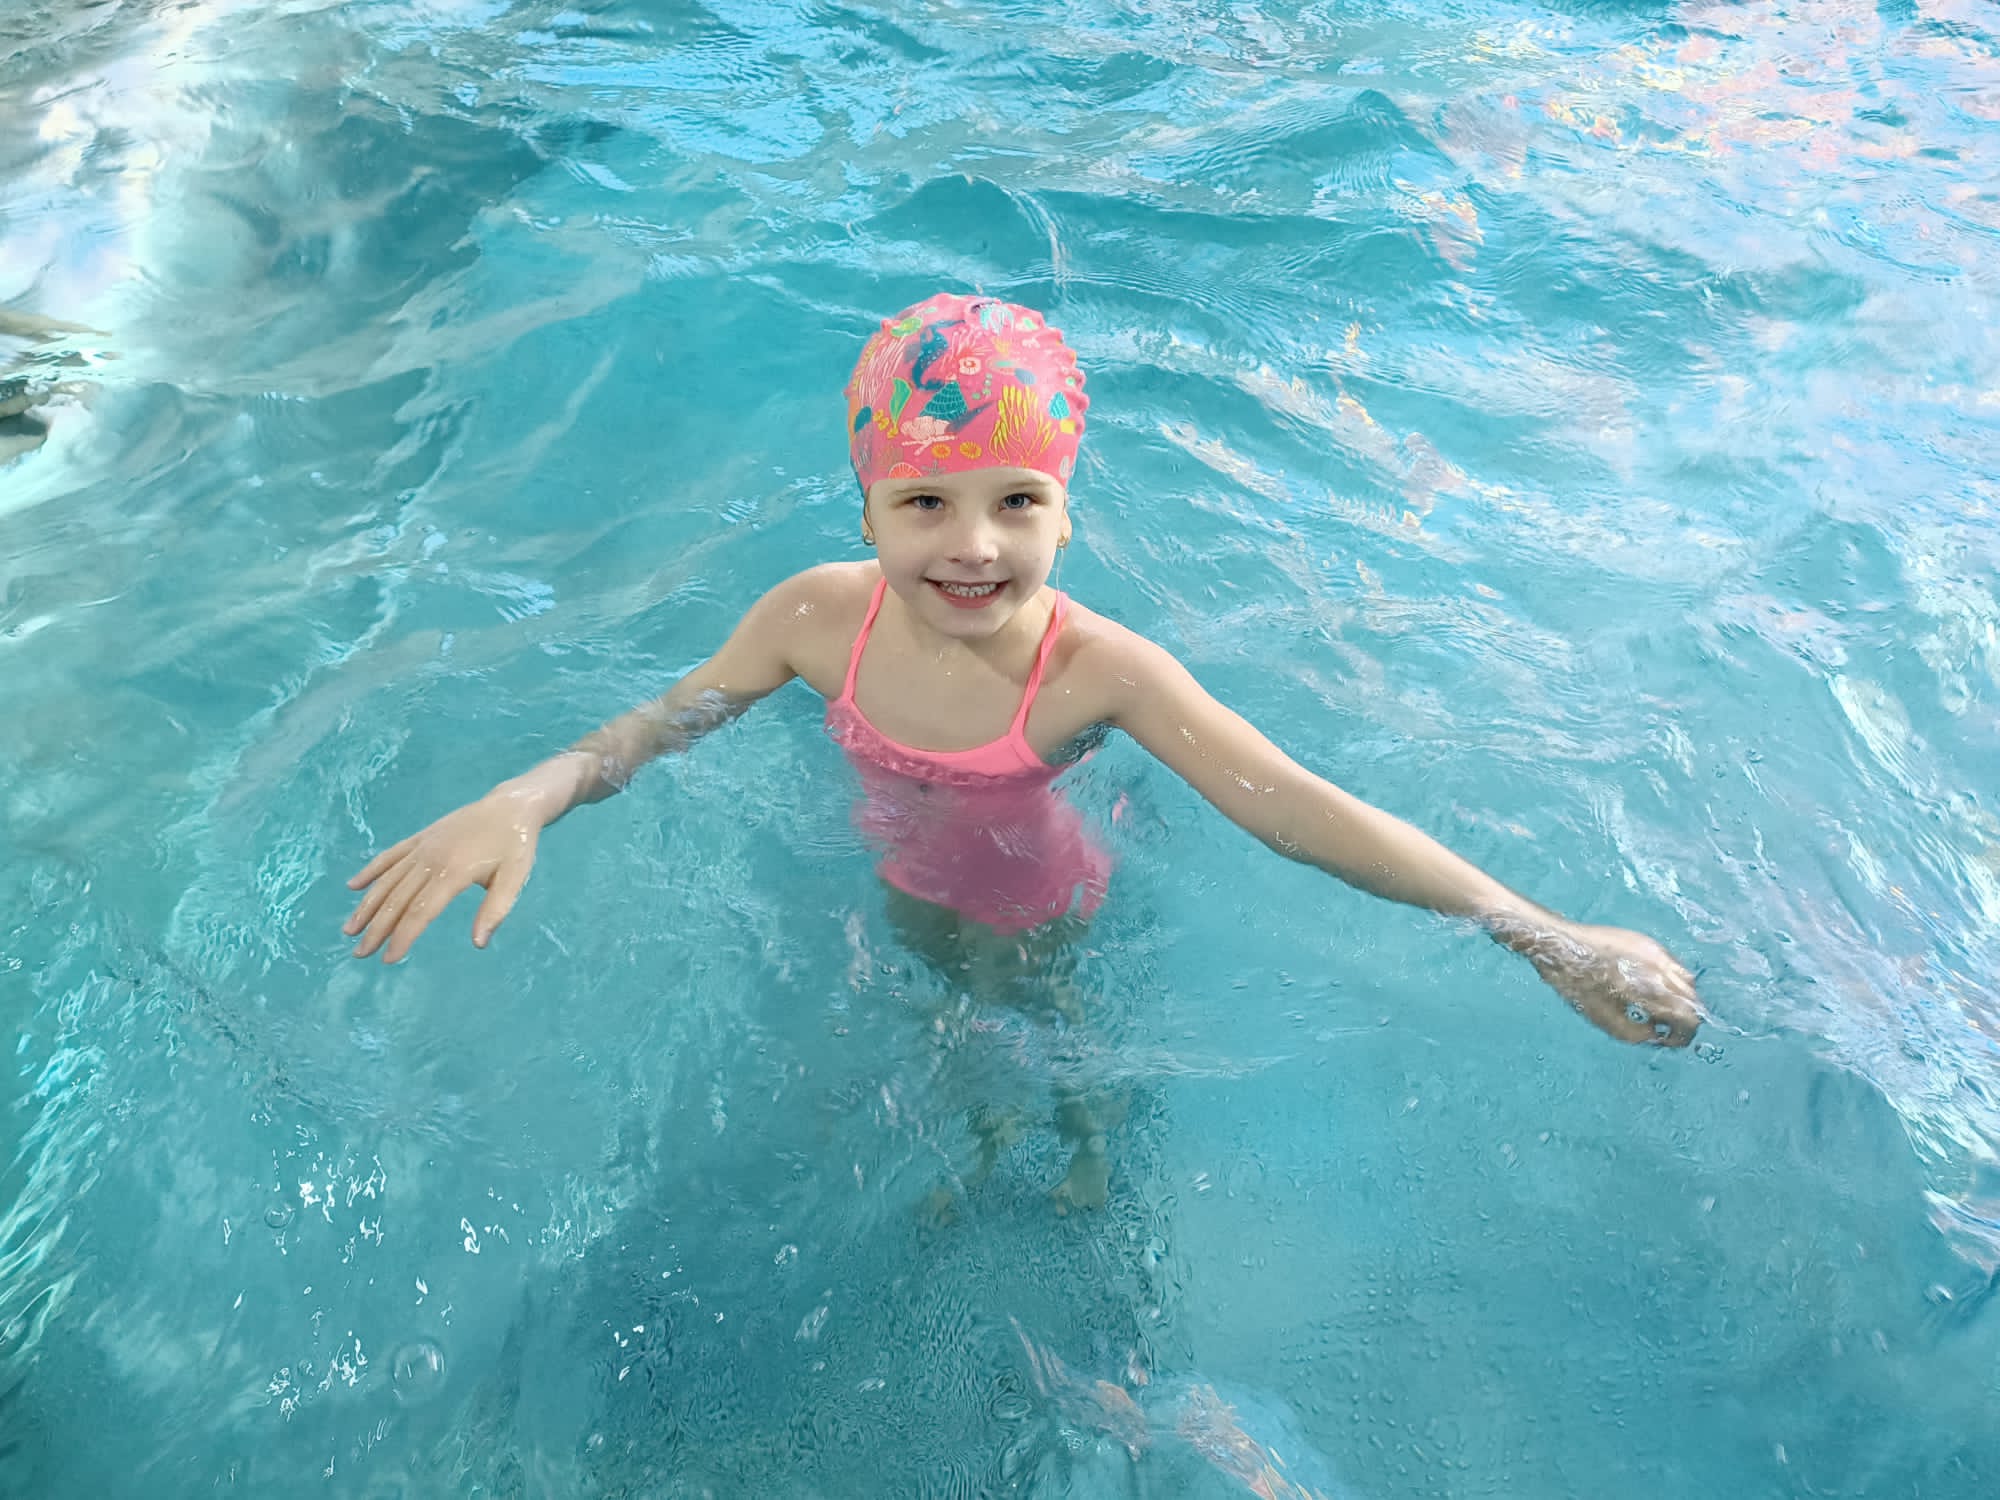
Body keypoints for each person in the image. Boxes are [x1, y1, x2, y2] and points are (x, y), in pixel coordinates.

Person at [344, 292, 1702, 1198]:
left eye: (1017, 501)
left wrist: (1539, 934)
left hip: (1046, 886)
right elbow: (659, 725)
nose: (974, 545)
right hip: (904, 868)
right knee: (939, 1010)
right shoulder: (813, 618)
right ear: (867, 511)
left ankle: (1087, 1147)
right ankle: (987, 1134)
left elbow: (1290, 806)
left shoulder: (1097, 671)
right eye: (925, 503)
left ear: (1068, 512)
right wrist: (525, 798)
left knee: (1051, 1021)